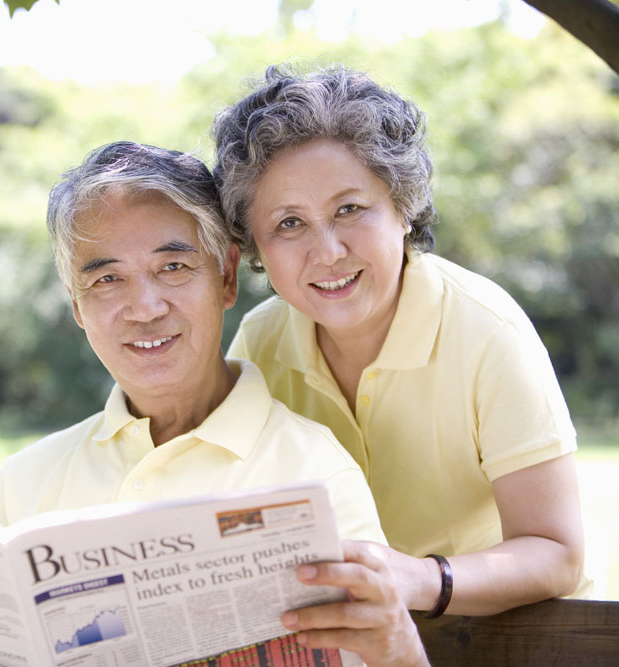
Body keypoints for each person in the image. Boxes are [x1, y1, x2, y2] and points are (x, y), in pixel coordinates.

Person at [0, 140, 429, 666]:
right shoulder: (23, 485)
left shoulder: (315, 476)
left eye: (174, 268)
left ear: (227, 277)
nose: (144, 307)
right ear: (76, 307)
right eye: (106, 279)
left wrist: (399, 645)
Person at [211, 64, 591, 645]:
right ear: (255, 246)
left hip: (507, 642)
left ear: (403, 206)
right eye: (289, 224)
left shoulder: (486, 330)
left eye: (350, 209)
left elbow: (557, 552)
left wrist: (415, 578)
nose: (329, 251)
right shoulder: (259, 345)